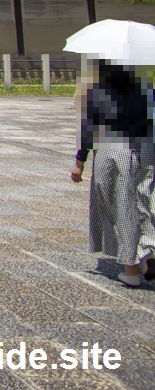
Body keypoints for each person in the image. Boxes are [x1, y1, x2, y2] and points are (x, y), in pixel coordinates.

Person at [70, 59, 155, 287]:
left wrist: (80, 161)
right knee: (144, 200)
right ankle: (149, 254)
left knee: (119, 206)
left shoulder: (99, 92)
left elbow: (89, 129)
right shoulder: (146, 88)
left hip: (114, 148)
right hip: (147, 149)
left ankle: (131, 269)